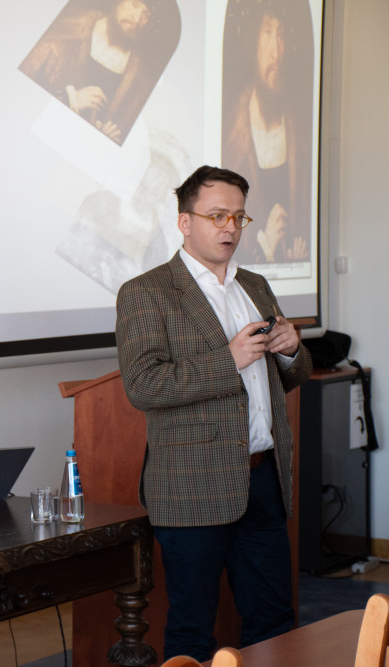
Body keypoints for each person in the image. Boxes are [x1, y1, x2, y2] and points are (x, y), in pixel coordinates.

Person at [115, 165, 312, 661]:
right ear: (185, 222)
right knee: (192, 629)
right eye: (217, 215)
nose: (230, 227)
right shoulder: (147, 292)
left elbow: (285, 377)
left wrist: (291, 350)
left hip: (263, 479)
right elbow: (143, 385)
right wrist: (229, 359)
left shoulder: (256, 286)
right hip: (191, 486)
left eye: (239, 217)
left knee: (275, 622)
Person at [222, 0, 312, 265]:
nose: (276, 51)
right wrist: (264, 245)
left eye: (281, 34)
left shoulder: (297, 131)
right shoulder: (233, 132)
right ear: (253, 44)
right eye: (267, 32)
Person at [19, 0, 179, 145]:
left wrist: (104, 142)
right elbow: (18, 98)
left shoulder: (140, 83)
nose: (137, 19)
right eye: (134, 4)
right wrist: (70, 99)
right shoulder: (65, 30)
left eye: (146, 14)